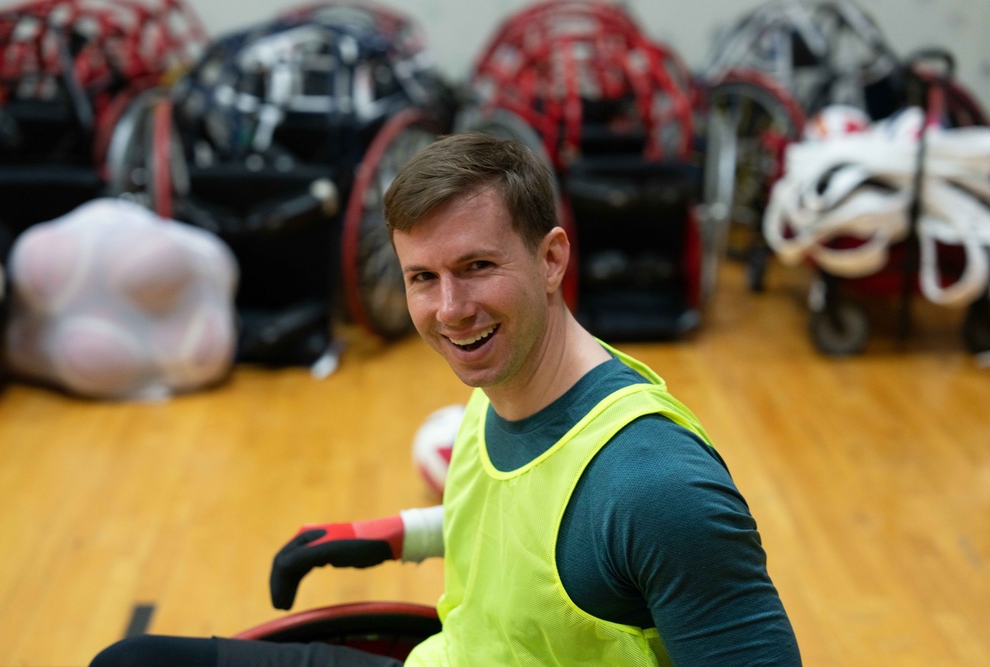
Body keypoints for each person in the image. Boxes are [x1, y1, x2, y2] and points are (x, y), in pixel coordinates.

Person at [92, 133, 801, 666]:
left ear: (552, 258)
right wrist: (396, 532)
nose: (450, 308)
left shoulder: (657, 486)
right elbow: (531, 529)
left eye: (477, 266)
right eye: (423, 276)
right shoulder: (515, 378)